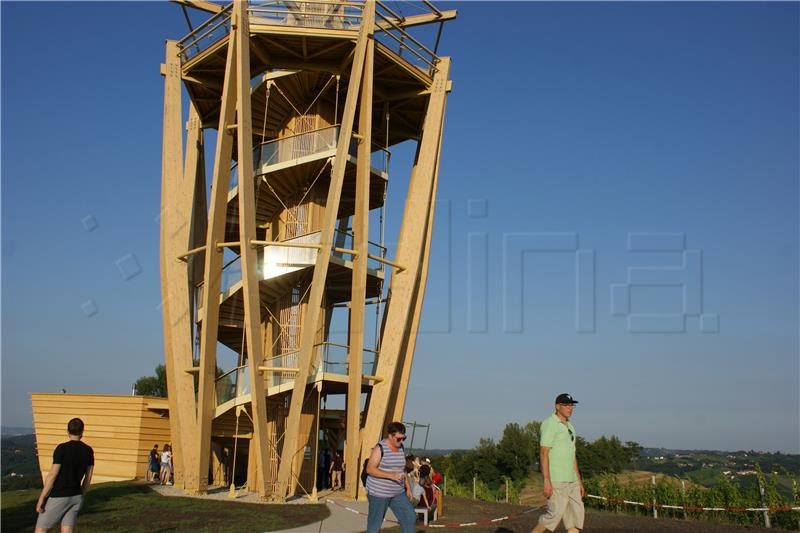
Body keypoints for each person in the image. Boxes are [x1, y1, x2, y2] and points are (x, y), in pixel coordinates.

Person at [531, 393, 585, 533]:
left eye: (571, 405)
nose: (570, 408)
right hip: (557, 480)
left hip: (572, 481)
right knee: (553, 517)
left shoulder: (570, 427)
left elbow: (572, 455)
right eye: (566, 405)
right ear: (557, 406)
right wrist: (547, 481)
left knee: (575, 519)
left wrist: (579, 481)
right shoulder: (550, 424)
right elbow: (544, 453)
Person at [35, 418, 94, 533]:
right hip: (76, 497)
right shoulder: (88, 450)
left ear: (68, 431)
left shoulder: (61, 448)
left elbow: (53, 474)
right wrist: (82, 494)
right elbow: (88, 477)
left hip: (59, 495)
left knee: (40, 529)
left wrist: (42, 498)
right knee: (67, 530)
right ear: (82, 431)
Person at [365, 421, 416, 533]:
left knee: (410, 517)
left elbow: (403, 469)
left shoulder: (401, 447)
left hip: (398, 493)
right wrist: (391, 475)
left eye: (404, 438)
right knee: (374, 526)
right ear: (390, 435)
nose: (401, 441)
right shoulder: (379, 448)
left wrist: (407, 487)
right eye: (399, 439)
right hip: (379, 493)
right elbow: (370, 469)